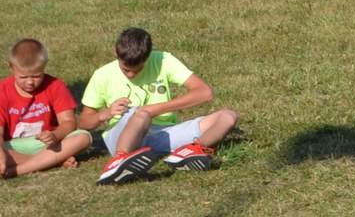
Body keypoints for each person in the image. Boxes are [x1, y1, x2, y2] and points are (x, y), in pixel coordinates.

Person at [78, 27, 238, 185]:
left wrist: (156, 109)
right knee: (141, 115)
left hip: (163, 133)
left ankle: (194, 150)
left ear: (148, 56)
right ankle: (120, 160)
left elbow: (204, 92)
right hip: (122, 137)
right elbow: (84, 122)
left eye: (138, 70)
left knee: (228, 116)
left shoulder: (163, 59)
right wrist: (105, 114)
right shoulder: (102, 75)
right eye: (126, 70)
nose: (131, 75)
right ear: (115, 52)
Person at [2, 38, 94, 178]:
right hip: (14, 145)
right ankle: (52, 160)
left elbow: (69, 122)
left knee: (83, 137)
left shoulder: (55, 86)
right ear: (11, 67)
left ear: (44, 66)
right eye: (23, 77)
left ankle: (17, 170)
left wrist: (55, 135)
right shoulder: (2, 90)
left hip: (49, 144)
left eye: (36, 76)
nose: (30, 82)